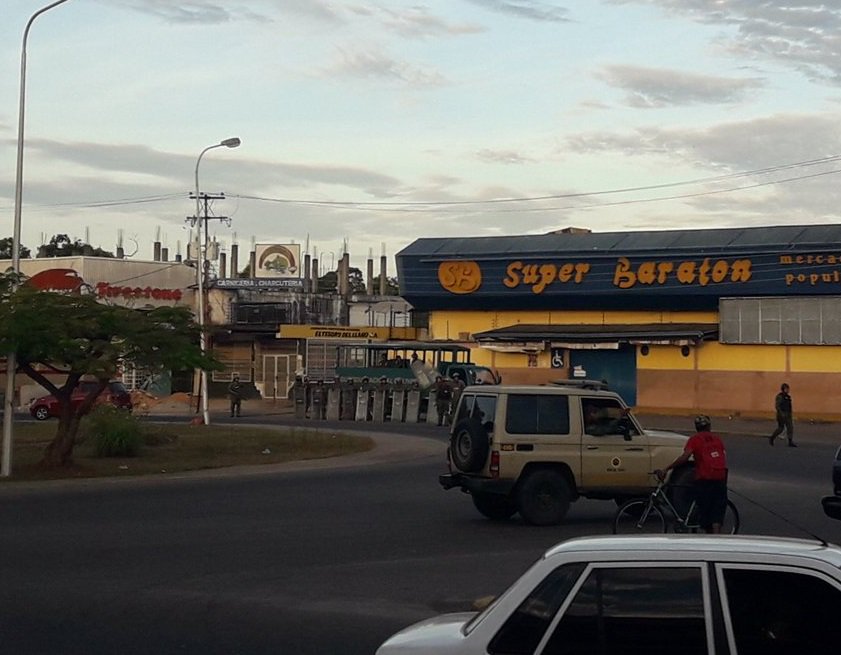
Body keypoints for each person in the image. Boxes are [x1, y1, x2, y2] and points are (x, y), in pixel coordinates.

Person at [655, 415, 728, 534]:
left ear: (696, 428)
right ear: (709, 426)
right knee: (717, 514)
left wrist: (667, 468)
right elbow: (722, 458)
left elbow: (685, 457)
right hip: (720, 479)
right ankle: (717, 539)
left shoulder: (695, 439)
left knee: (705, 512)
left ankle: (706, 535)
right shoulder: (717, 439)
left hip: (704, 479)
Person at [768, 383, 795, 447]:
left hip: (788, 414)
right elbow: (777, 406)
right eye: (786, 389)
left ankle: (790, 441)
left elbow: (789, 407)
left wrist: (790, 414)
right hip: (781, 415)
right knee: (781, 428)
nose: (788, 390)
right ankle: (772, 438)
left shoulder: (788, 397)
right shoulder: (780, 396)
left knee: (790, 427)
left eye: (788, 389)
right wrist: (781, 413)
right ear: (783, 389)